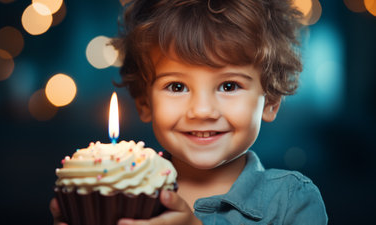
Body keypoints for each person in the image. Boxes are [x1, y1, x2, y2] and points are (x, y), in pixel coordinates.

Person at [50, 0, 328, 224]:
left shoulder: (292, 201)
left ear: (270, 101)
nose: (202, 111)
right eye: (177, 86)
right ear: (145, 103)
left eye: (229, 85)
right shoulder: (127, 195)